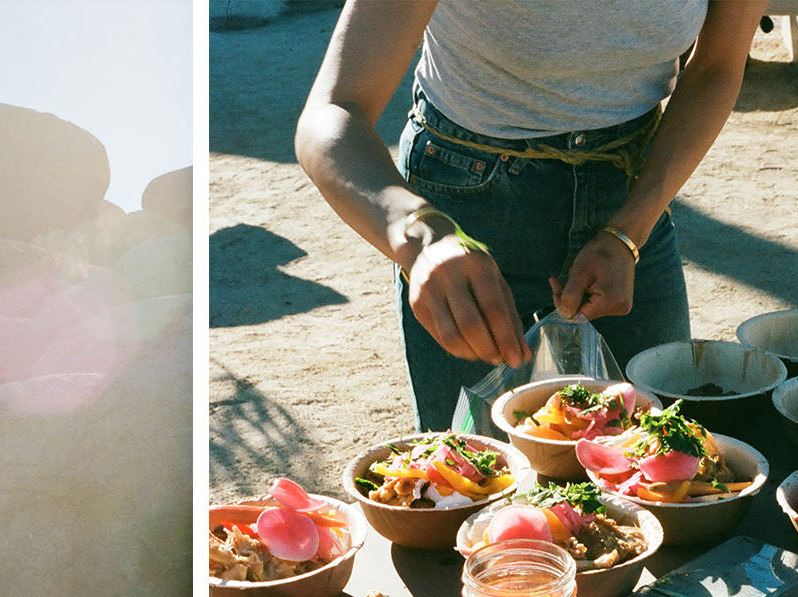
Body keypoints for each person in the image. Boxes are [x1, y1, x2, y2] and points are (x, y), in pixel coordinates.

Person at [295, 0, 768, 430]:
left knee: (658, 465)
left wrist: (631, 228)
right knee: (469, 488)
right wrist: (421, 236)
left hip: (634, 194)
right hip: (465, 199)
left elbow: (717, 65)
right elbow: (333, 112)